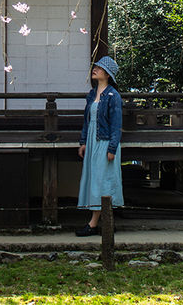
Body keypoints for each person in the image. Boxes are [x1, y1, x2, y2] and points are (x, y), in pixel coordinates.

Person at [75, 55, 124, 236]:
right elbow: (88, 121)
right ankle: (107, 222)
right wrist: (83, 142)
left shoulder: (113, 96)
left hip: (105, 143)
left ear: (107, 74)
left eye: (99, 68)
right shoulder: (91, 94)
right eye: (95, 67)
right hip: (92, 143)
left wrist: (112, 148)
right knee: (95, 181)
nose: (95, 69)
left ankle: (93, 224)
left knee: (103, 182)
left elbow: (116, 124)